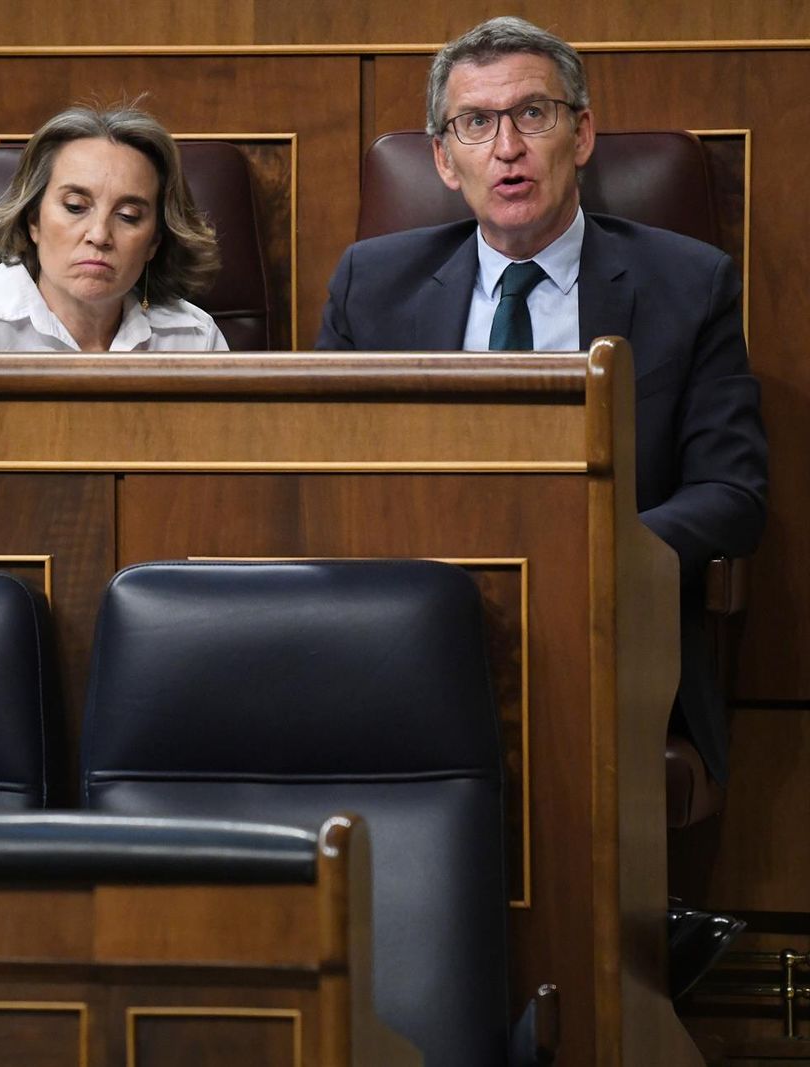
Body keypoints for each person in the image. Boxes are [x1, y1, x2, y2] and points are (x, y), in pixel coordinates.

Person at [317, 16, 767, 785]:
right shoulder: (373, 285)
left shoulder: (688, 285)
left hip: (602, 625)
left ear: (582, 134)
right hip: (413, 626)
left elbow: (733, 492)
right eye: (475, 123)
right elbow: (325, 475)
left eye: (534, 114)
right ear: (444, 160)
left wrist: (589, 552)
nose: (508, 147)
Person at [0, 103, 226, 352]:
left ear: (154, 241)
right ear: (33, 220)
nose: (99, 235)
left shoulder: (194, 339)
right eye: (75, 207)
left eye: (128, 215)